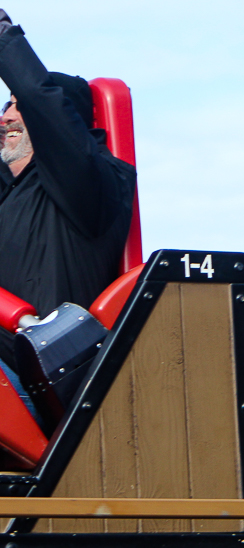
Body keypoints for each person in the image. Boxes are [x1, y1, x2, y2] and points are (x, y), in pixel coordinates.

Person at [0, 11, 136, 380]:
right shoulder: (10, 194)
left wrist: (3, 35)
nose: (6, 116)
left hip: (43, 374)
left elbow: (44, 105)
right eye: (5, 105)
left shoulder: (91, 184)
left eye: (17, 104)